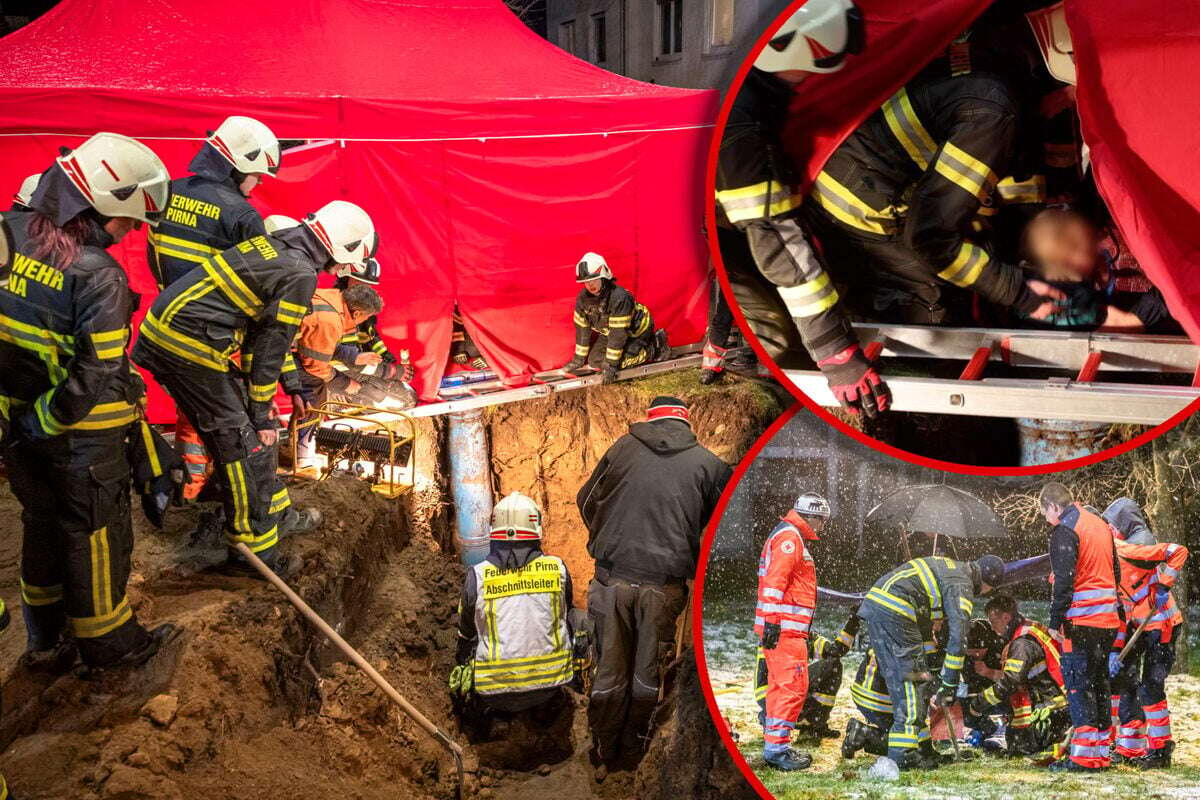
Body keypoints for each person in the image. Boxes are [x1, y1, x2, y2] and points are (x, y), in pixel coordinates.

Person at [0, 132, 178, 670]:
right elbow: (97, 369)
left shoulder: (8, 231)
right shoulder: (98, 273)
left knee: (41, 524)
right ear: (103, 203)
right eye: (128, 219)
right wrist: (47, 422)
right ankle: (111, 645)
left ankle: (45, 641)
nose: (128, 232)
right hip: (78, 436)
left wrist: (24, 423)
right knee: (96, 533)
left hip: (15, 422)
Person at [132, 200, 378, 578]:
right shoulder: (300, 273)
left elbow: (262, 334)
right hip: (185, 347)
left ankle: (277, 512)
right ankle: (252, 553)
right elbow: (269, 345)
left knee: (252, 428)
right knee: (241, 441)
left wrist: (284, 389)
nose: (344, 272)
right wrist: (261, 410)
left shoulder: (279, 244)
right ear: (343, 249)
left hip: (183, 339)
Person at [804, 5, 1066, 331]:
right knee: (936, 300)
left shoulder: (987, 58)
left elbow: (1013, 181)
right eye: (1073, 95)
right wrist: (1021, 292)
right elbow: (930, 237)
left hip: (848, 173)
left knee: (973, 268)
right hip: (856, 205)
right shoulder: (991, 112)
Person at [715, 0, 890, 416]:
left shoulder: (757, 97)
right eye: (824, 61)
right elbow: (777, 244)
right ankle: (741, 382)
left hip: (728, 241)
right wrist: (837, 355)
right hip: (713, 257)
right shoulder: (742, 127)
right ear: (798, 47)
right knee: (775, 339)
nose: (818, 76)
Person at [577, 396, 731, 778]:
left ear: (650, 420)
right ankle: (634, 755)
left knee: (609, 668)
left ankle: (603, 751)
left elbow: (585, 500)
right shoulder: (710, 465)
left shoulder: (623, 447)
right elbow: (722, 521)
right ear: (686, 423)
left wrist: (608, 537)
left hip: (611, 577)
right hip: (664, 586)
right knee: (647, 672)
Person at [146, 116, 281, 504]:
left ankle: (187, 492)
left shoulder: (169, 192)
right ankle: (233, 507)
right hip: (212, 336)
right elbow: (261, 298)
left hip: (165, 325)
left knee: (190, 411)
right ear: (239, 165)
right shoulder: (241, 216)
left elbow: (155, 258)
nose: (256, 186)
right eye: (256, 175)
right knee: (233, 425)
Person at [858, 554, 1004, 770]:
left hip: (886, 607)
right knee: (912, 683)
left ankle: (923, 749)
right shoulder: (961, 585)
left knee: (918, 681)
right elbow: (958, 638)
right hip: (896, 611)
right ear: (987, 584)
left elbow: (925, 618)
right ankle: (904, 755)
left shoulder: (954, 569)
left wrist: (933, 669)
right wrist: (949, 685)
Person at [450, 492, 575, 736]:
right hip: (548, 686)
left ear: (493, 532)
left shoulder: (478, 576)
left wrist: (463, 662)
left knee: (476, 636)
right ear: (536, 530)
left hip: (495, 692)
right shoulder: (558, 570)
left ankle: (497, 717)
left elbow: (465, 634)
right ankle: (543, 713)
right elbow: (565, 612)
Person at [1038, 482, 1123, 772]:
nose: (1048, 520)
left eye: (1045, 514)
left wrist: (1054, 620)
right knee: (1100, 684)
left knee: (1078, 686)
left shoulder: (1065, 529)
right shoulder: (1099, 525)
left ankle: (1084, 758)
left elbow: (1064, 580)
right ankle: (1100, 752)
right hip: (1108, 619)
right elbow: (1116, 572)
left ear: (1053, 506)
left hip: (1080, 621)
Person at [1103, 497, 1188, 769]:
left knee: (1151, 688)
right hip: (1138, 628)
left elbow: (1178, 551)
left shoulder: (1129, 550)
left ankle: (1161, 750)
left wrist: (1164, 585)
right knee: (1125, 682)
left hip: (1162, 626)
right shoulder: (1104, 564)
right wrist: (1116, 650)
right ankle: (1129, 748)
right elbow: (1120, 614)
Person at [754, 493, 830, 770]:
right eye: (822, 520)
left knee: (779, 688)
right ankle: (778, 751)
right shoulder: (790, 539)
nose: (823, 526)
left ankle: (774, 745)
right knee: (792, 689)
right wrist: (773, 621)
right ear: (813, 516)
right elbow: (776, 582)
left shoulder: (786, 535)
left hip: (782, 629)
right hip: (785, 631)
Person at [1018, 209, 1175, 332]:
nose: (1098, 248)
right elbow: (1127, 324)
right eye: (1088, 245)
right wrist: (1172, 287)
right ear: (1069, 258)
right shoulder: (1075, 300)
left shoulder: (1030, 288)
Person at [966, 595, 1069, 760]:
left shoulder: (1022, 643)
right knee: (1013, 741)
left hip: (1051, 715)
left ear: (1006, 617)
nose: (992, 628)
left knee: (1017, 746)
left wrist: (978, 703)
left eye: (993, 622)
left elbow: (1010, 682)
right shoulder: (1029, 630)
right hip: (1059, 709)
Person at [563, 252, 668, 384]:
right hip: (610, 331)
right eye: (586, 282)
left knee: (616, 363)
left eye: (594, 279)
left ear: (604, 277)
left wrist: (611, 365)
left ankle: (655, 347)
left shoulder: (619, 297)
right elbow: (582, 329)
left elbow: (619, 335)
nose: (590, 285)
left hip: (637, 331)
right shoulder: (582, 300)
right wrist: (578, 359)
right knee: (595, 361)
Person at [842, 630, 943, 760]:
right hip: (879, 697)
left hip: (868, 689)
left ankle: (862, 733)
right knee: (908, 742)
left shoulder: (896, 623)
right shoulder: (910, 634)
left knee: (917, 733)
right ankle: (864, 735)